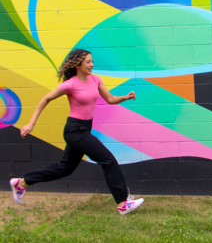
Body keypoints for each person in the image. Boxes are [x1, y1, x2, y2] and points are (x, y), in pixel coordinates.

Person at [9, 49, 144, 215]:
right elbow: (46, 99)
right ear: (77, 64)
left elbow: (109, 99)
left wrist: (126, 97)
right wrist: (31, 123)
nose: (92, 64)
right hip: (75, 130)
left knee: (64, 168)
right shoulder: (70, 84)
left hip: (85, 128)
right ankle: (123, 203)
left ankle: (21, 183)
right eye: (88, 62)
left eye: (92, 61)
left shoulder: (95, 80)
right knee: (108, 160)